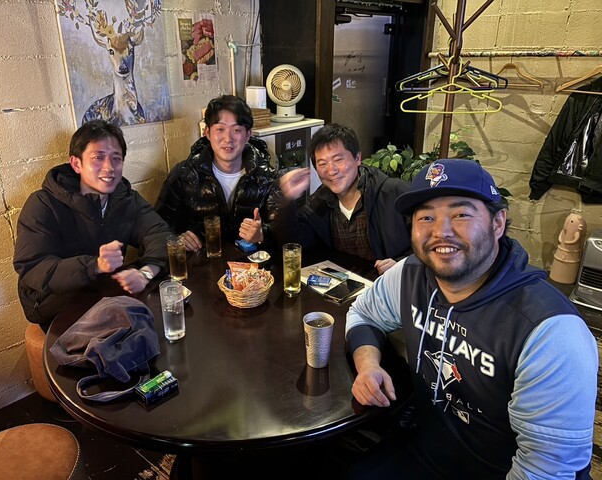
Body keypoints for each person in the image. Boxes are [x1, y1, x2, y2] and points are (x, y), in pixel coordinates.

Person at [345, 159, 597, 479]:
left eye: (460, 214)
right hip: (430, 450)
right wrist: (368, 365)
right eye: (426, 217)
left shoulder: (551, 331)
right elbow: (363, 314)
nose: (441, 231)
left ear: (498, 223)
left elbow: (545, 469)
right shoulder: (411, 275)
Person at [14, 120, 171, 329]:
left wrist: (146, 273)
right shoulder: (43, 203)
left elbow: (160, 234)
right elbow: (33, 268)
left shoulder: (124, 198)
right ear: (76, 164)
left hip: (105, 293)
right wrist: (94, 265)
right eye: (98, 157)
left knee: (164, 321)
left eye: (116, 158)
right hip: (57, 306)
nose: (109, 167)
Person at [273, 123, 410, 275]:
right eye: (322, 164)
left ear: (357, 158)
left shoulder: (395, 193)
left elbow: (428, 243)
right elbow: (294, 243)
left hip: (390, 284)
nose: (331, 170)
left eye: (338, 160)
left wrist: (401, 264)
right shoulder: (319, 202)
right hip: (343, 286)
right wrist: (288, 200)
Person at [154, 94, 282, 251]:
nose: (228, 138)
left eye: (236, 130)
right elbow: (157, 231)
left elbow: (285, 233)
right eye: (220, 129)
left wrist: (262, 235)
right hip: (202, 262)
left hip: (249, 264)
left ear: (248, 135)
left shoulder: (267, 178)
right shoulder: (184, 175)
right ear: (207, 132)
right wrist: (177, 239)